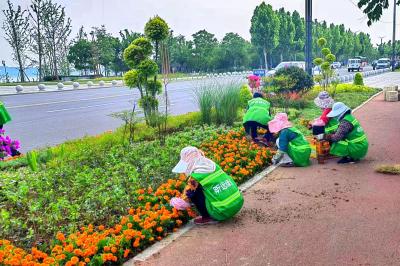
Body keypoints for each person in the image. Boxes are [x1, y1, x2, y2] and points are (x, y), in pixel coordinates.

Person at [171, 146, 244, 225]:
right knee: (202, 187)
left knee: (193, 192)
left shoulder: (196, 177)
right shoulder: (213, 165)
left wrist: (180, 202)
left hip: (222, 211)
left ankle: (206, 217)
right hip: (238, 202)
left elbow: (188, 194)